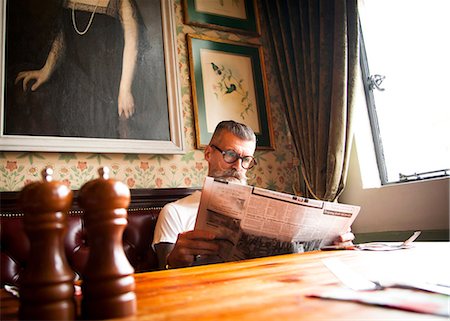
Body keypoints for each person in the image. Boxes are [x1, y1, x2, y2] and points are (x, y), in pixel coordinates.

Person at [152, 120, 354, 269]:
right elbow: (163, 273)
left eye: (246, 159)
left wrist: (332, 245)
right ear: (208, 154)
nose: (238, 167)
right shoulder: (175, 212)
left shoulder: (272, 210)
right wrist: (175, 259)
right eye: (230, 155)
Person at [12, 0, 139, 138]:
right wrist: (46, 70)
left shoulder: (119, 2)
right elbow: (63, 36)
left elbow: (132, 43)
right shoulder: (68, 1)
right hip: (73, 84)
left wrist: (125, 89)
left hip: (104, 85)